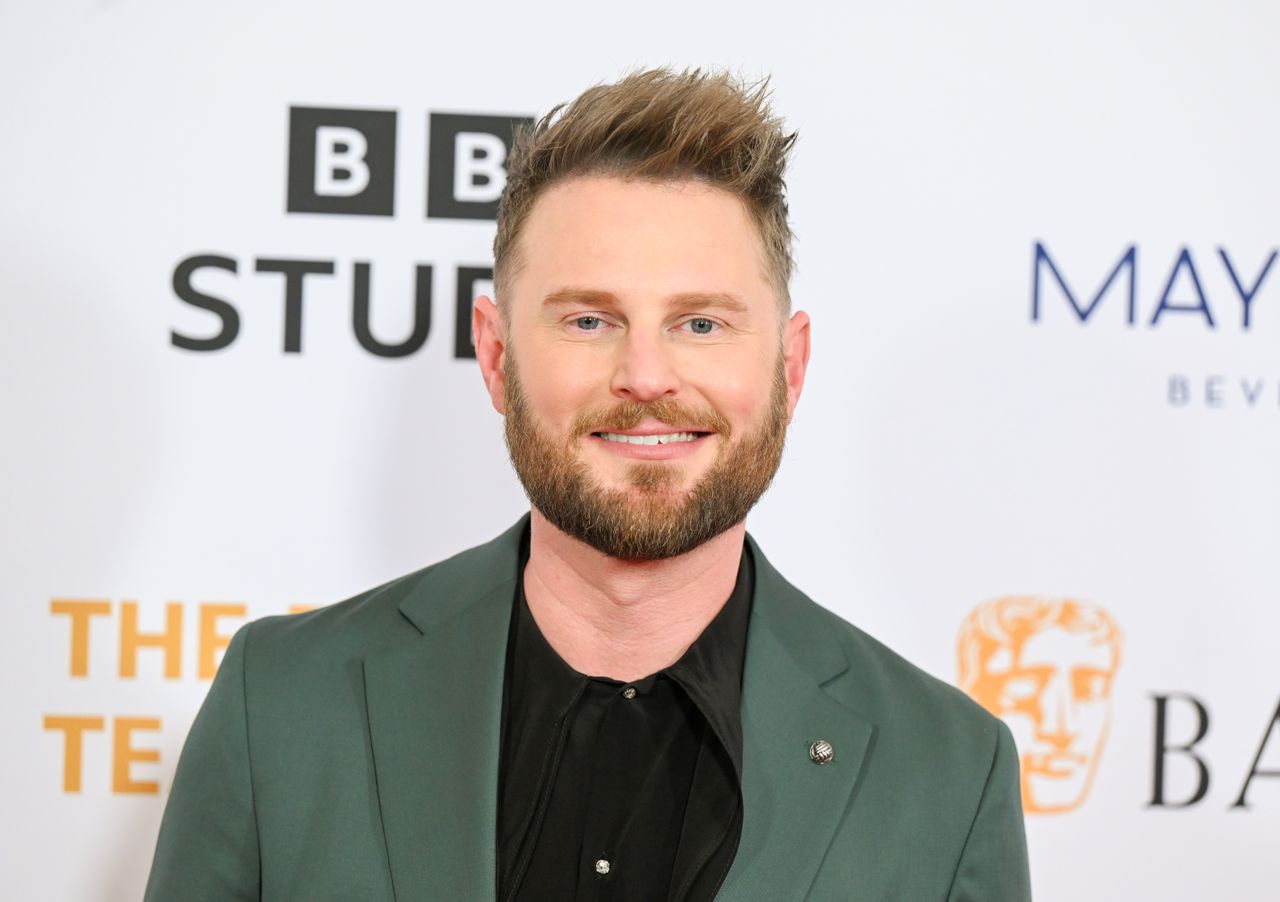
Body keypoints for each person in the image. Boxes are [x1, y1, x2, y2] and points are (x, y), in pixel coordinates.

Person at [145, 68, 1032, 902]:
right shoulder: (283, 708)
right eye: (588, 319)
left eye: (700, 321)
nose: (646, 375)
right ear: (496, 355)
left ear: (790, 367)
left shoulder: (948, 773)